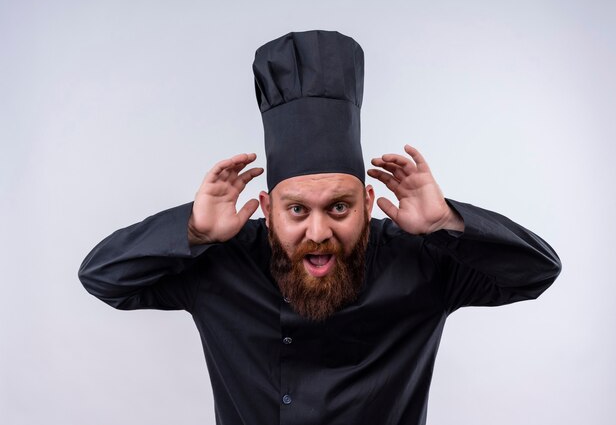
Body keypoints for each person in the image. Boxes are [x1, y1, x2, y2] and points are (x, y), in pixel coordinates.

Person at [79, 30, 561, 425]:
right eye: (296, 211)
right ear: (266, 208)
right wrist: (193, 232)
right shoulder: (219, 263)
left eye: (338, 208)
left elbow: (534, 273)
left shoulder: (421, 260)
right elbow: (104, 279)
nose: (317, 232)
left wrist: (445, 222)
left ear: (368, 201)